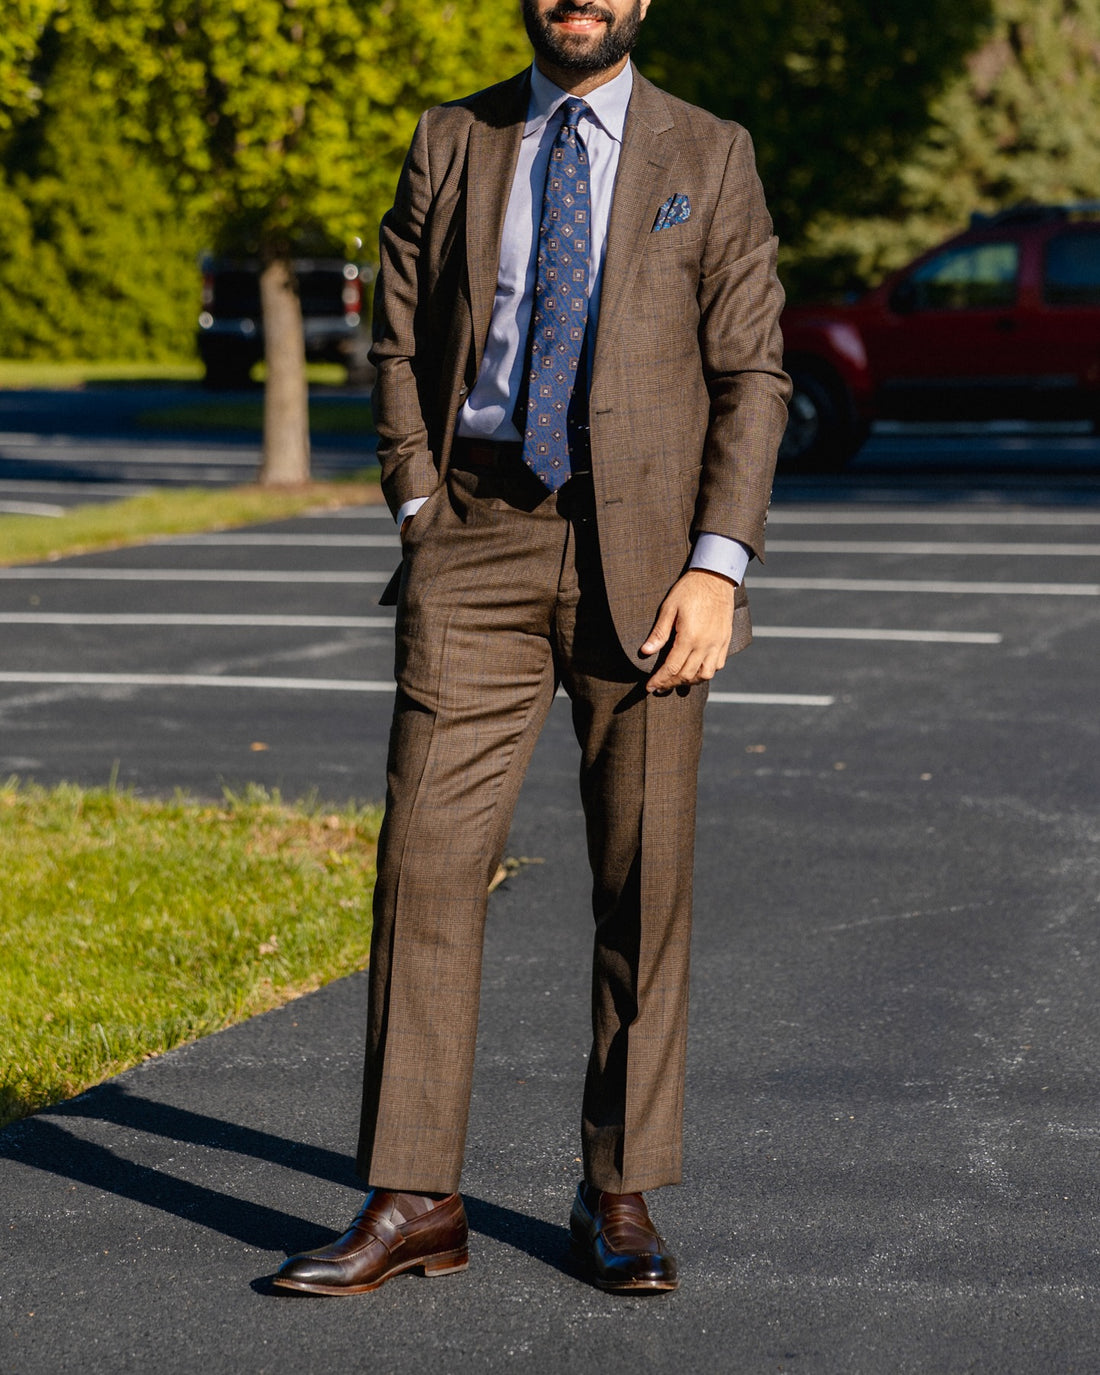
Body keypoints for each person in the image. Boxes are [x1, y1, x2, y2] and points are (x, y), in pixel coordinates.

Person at [274, 0, 788, 1297]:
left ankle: (618, 1191)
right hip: (478, 540)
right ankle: (416, 1195)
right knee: (428, 864)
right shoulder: (453, 139)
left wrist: (718, 567)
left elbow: (755, 375)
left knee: (642, 877)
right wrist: (414, 501)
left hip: (650, 565)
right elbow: (396, 334)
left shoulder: (707, 152)